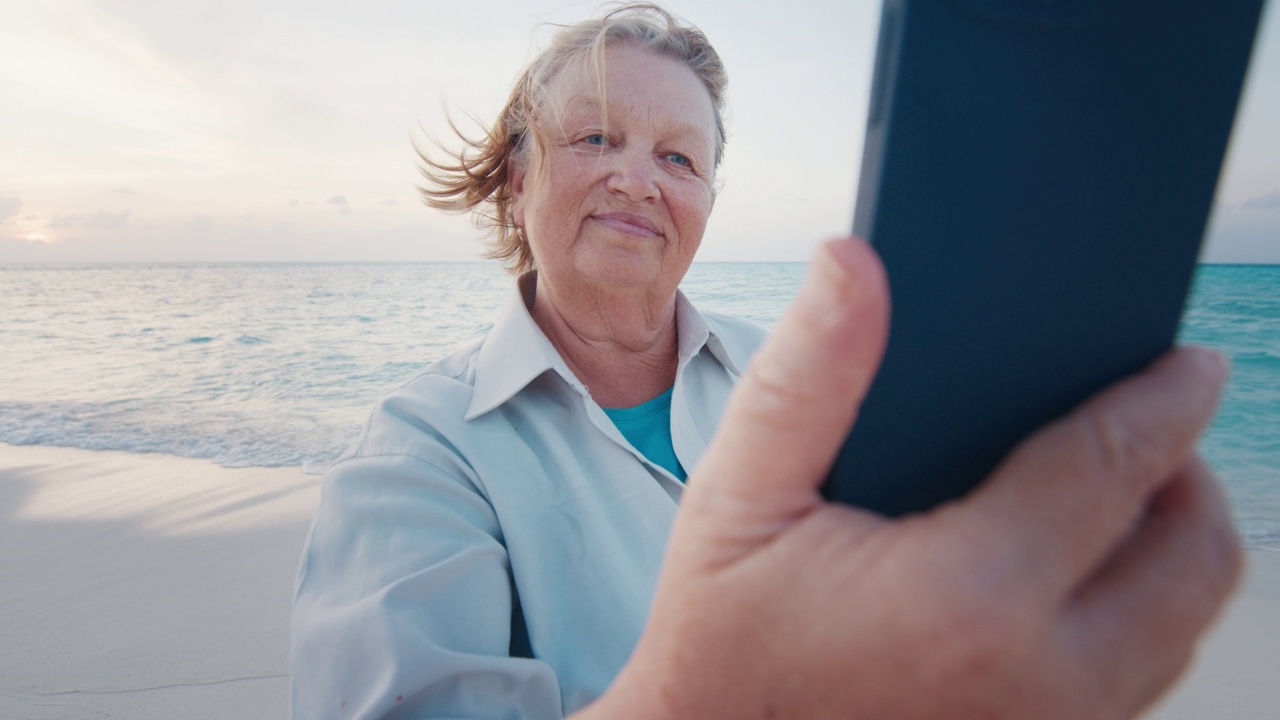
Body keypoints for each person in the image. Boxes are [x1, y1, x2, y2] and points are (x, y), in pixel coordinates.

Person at [290, 4, 1242, 719]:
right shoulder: (419, 453)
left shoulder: (794, 378)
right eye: (595, 137)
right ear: (518, 173)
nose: (637, 178)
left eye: (679, 159)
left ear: (707, 197)